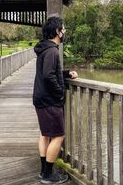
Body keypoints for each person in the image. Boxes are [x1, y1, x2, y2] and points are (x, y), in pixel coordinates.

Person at [33, 16, 78, 184]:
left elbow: (50, 71)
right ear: (58, 31)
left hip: (40, 98)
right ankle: (48, 175)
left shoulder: (45, 49)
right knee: (58, 137)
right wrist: (60, 93)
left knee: (45, 135)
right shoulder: (52, 51)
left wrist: (66, 74)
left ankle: (44, 171)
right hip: (49, 101)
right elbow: (48, 75)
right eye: (63, 29)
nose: (64, 31)